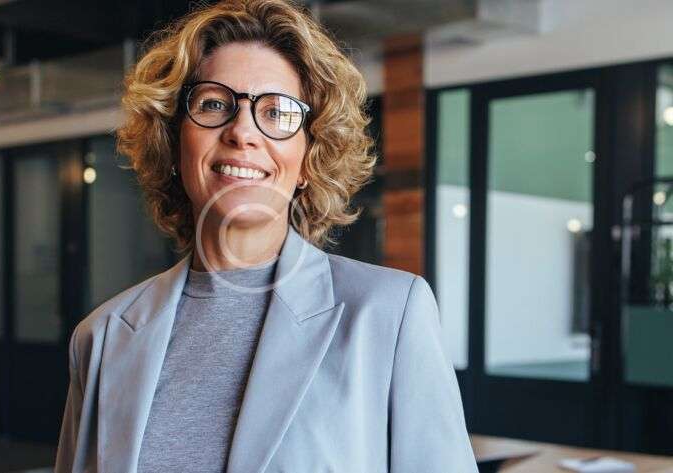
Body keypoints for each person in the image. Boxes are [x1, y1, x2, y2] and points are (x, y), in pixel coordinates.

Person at [54, 0, 477, 472]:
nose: (242, 132)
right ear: (173, 142)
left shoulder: (389, 315)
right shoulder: (102, 336)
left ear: (309, 157)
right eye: (214, 104)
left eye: (278, 112)